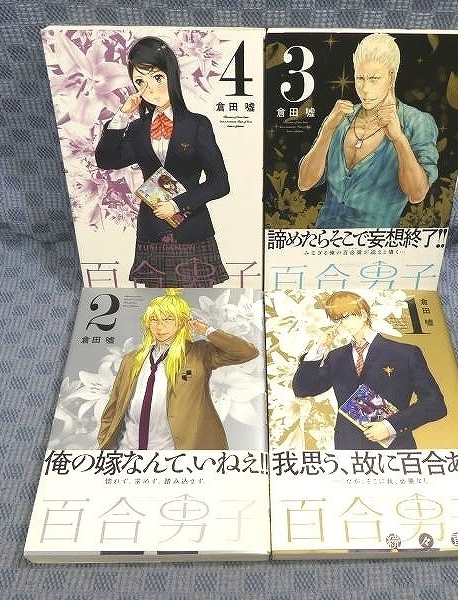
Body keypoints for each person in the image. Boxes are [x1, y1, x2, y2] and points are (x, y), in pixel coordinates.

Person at [95, 36, 230, 287]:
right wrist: (122, 115)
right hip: (152, 230)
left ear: (172, 75)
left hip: (192, 228)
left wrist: (177, 204)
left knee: (197, 302)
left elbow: (220, 183)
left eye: (157, 77)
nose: (150, 89)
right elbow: (105, 160)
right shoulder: (137, 129)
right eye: (140, 82)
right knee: (158, 303)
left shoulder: (197, 125)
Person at [297, 33, 439, 229]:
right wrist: (327, 129)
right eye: (360, 78)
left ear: (391, 76)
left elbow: (417, 194)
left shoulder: (417, 122)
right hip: (324, 239)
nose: (364, 89)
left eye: (374, 79)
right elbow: (304, 182)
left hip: (375, 243)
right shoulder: (341, 118)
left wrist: (399, 139)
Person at [98, 289, 258, 450]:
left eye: (168, 319)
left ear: (182, 322)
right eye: (154, 319)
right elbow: (114, 405)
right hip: (127, 449)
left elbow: (247, 352)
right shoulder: (132, 359)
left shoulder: (198, 353)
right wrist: (104, 442)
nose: (160, 326)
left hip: (175, 453)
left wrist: (206, 330)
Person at [292, 291, 446, 449]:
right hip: (348, 448)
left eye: (345, 316)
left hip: (395, 448)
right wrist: (319, 348)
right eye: (337, 319)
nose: (342, 323)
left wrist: (390, 426)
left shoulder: (404, 353)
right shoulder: (336, 357)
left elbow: (435, 403)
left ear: (363, 314)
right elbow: (303, 389)